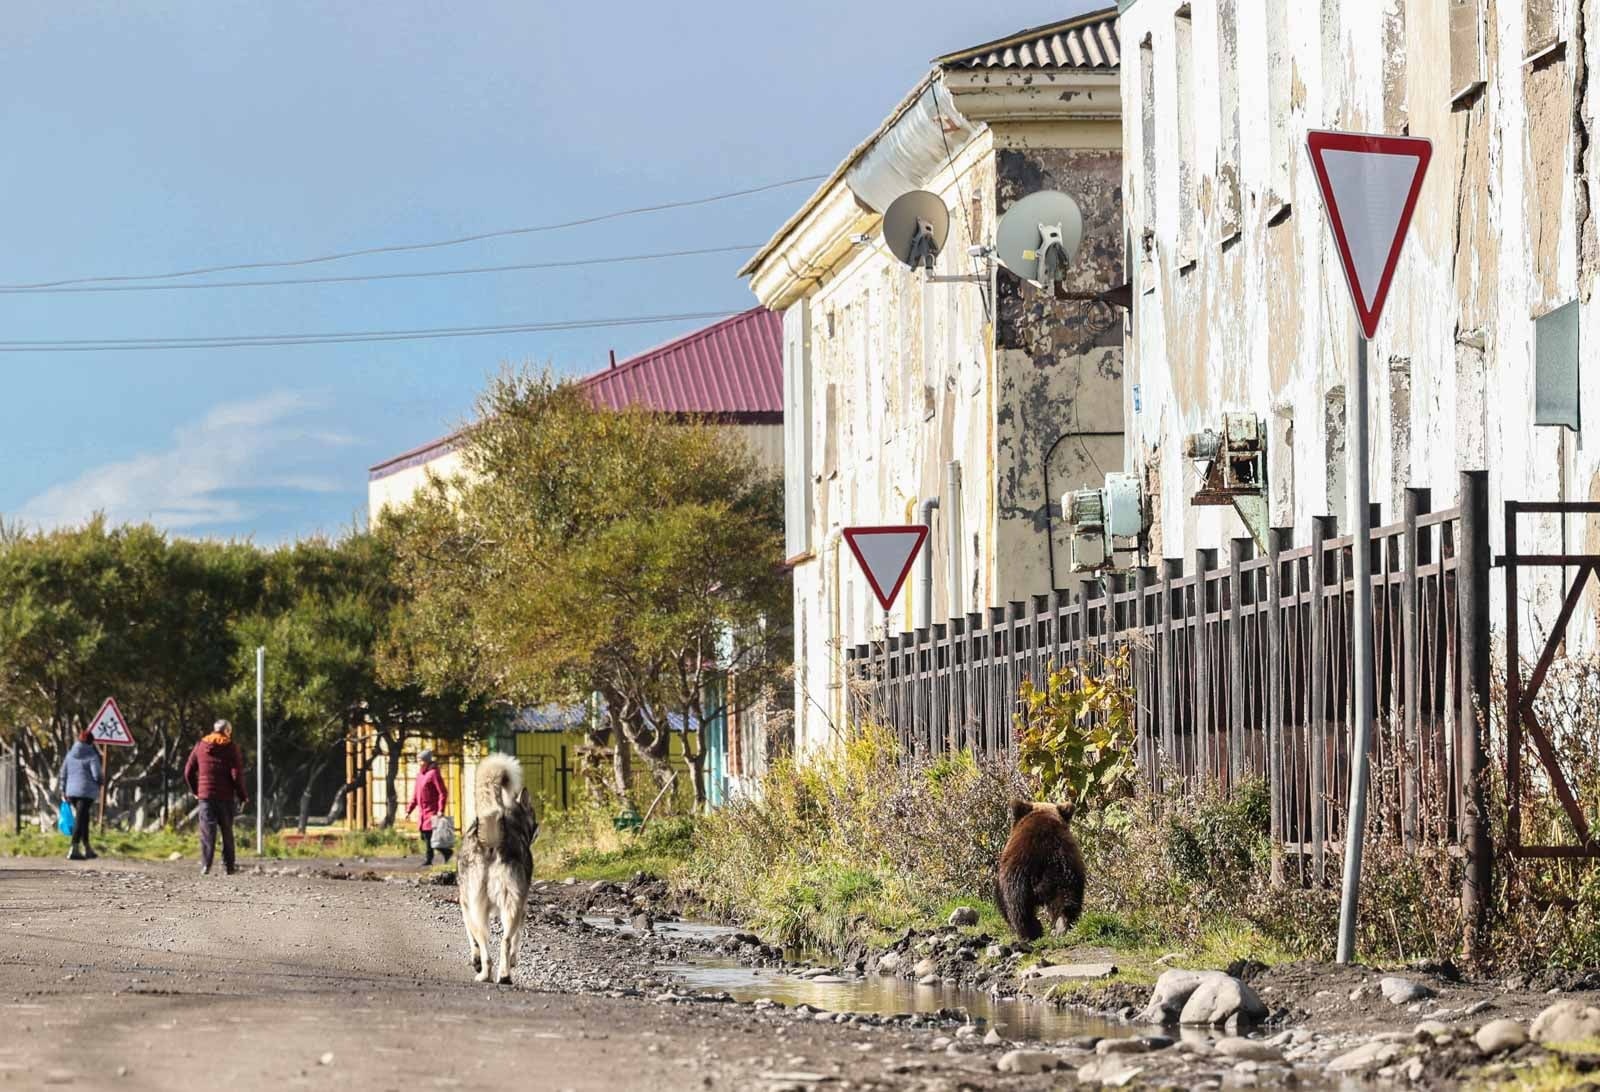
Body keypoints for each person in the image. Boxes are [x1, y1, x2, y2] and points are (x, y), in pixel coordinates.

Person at [183, 719, 248, 876]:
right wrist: (242, 796)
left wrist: (196, 791)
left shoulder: (200, 746)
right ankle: (229, 867)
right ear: (226, 731)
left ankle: (206, 865)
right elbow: (236, 775)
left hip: (205, 796)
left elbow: (188, 772)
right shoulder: (231, 748)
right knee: (227, 831)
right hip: (225, 797)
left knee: (207, 831)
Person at [58, 729, 102, 861]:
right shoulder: (92, 755)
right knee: (80, 818)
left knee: (84, 817)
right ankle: (74, 848)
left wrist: (63, 789)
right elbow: (96, 774)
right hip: (86, 792)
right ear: (90, 742)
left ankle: (87, 848)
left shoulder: (70, 755)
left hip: (71, 792)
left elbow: (63, 773)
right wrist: (101, 781)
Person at [406, 748, 450, 866]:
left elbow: (442, 792)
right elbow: (415, 795)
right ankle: (446, 853)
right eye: (418, 760)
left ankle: (429, 859)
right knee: (424, 836)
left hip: (432, 810)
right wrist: (409, 810)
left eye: (421, 760)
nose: (419, 763)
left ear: (427, 761)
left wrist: (441, 809)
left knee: (429, 836)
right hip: (422, 812)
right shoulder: (420, 775)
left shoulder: (434, 773)